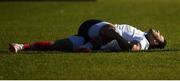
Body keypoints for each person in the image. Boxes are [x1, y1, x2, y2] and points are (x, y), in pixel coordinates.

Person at [9, 19, 167, 53]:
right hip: (94, 28)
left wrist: (119, 40)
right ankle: (89, 46)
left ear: (155, 43)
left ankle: (21, 46)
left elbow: (134, 48)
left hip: (94, 35)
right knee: (112, 31)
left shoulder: (144, 42)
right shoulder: (143, 33)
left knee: (57, 45)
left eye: (160, 36)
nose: (159, 32)